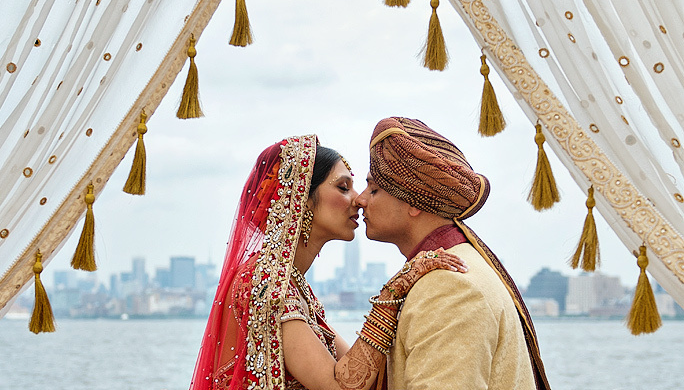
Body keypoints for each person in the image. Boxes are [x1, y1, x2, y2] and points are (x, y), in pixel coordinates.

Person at [190, 134, 466, 390]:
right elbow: (340, 385)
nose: (358, 200)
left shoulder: (290, 283)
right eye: (343, 187)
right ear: (301, 200)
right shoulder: (265, 282)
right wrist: (395, 289)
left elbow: (364, 373)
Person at [356, 117, 551, 390]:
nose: (360, 199)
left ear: (414, 201)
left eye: (374, 189)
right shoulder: (445, 271)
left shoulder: (450, 286)